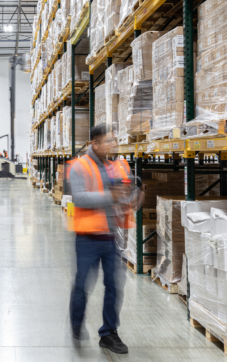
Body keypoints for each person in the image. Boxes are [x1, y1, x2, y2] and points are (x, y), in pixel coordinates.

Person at [67, 124, 142, 354]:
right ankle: (76, 324)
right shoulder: (79, 167)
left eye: (113, 141)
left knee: (114, 286)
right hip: (87, 238)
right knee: (82, 285)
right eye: (107, 141)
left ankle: (109, 333)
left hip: (110, 237)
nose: (112, 145)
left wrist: (137, 189)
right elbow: (79, 198)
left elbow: (128, 187)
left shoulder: (118, 165)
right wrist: (110, 196)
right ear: (94, 144)